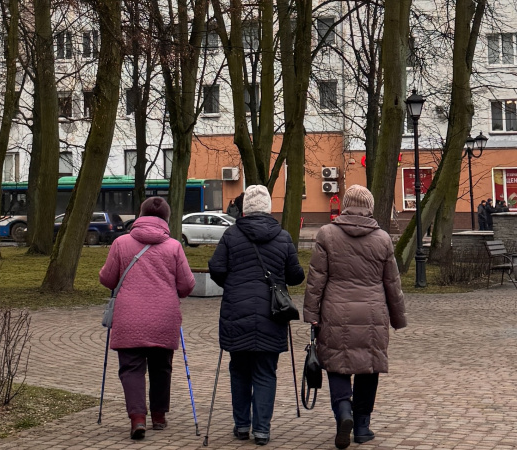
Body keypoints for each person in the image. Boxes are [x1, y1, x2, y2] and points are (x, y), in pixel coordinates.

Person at [303, 185, 407, 449]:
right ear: (369, 207)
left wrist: (311, 314)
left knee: (337, 362)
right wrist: (398, 318)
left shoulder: (326, 234)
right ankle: (362, 426)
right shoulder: (382, 238)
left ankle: (343, 412)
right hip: (373, 311)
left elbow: (316, 280)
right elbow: (392, 283)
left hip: (335, 310)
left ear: (345, 205)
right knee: (368, 366)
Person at [208, 184, 306, 446]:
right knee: (265, 371)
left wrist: (233, 284)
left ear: (244, 209)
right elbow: (297, 276)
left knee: (239, 370)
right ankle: (262, 429)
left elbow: (216, 268)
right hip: (272, 314)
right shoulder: (283, 237)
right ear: (267, 208)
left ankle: (241, 425)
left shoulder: (231, 235)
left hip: (236, 312)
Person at [99, 197, 196, 440]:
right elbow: (186, 286)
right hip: (164, 316)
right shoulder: (174, 246)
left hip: (128, 317)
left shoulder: (121, 243)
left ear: (140, 215)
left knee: (131, 368)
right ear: (166, 219)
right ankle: (159, 416)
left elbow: (108, 280)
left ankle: (137, 419)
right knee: (161, 367)